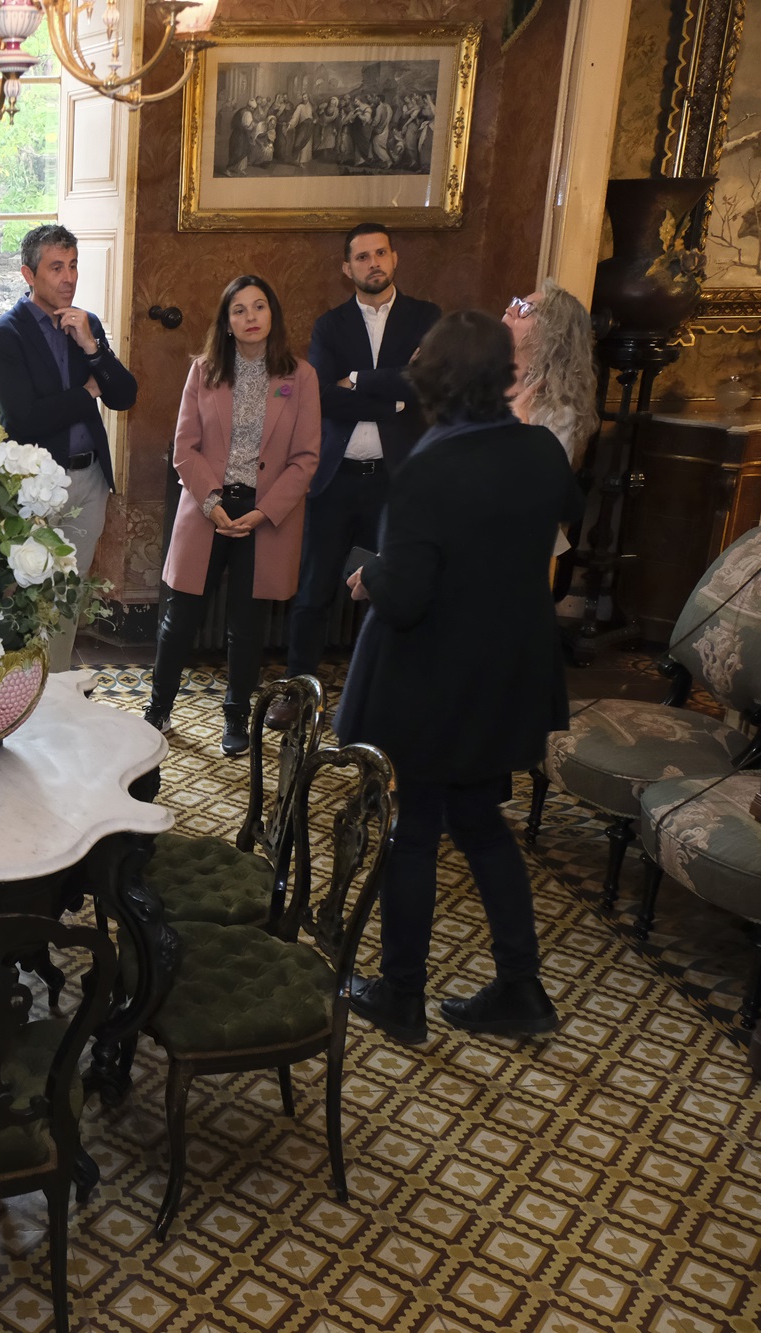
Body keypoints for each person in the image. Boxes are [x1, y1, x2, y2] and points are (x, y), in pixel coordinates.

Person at [336, 311, 587, 1046]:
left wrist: (370, 576)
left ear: (437, 379)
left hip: (432, 679)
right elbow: (563, 519)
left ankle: (401, 994)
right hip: (507, 672)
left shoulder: (430, 469)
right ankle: (521, 987)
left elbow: (408, 595)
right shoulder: (542, 450)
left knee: (413, 832)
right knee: (480, 821)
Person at [147, 275, 321, 753]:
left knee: (247, 626)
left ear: (273, 315)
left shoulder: (301, 377)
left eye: (259, 307)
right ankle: (158, 709)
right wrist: (212, 503)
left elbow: (305, 458)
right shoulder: (203, 372)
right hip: (208, 507)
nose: (250, 317)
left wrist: (264, 511)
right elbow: (185, 448)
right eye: (239, 310)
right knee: (180, 617)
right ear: (226, 323)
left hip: (265, 516)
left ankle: (236, 717)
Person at [280, 222, 440, 724]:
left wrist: (357, 380)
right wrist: (392, 395)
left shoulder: (425, 317)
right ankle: (297, 694)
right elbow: (323, 397)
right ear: (346, 268)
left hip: (395, 483)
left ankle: (378, 696)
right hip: (336, 480)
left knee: (387, 591)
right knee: (313, 592)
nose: (373, 263)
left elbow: (426, 383)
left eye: (381, 253)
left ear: (395, 259)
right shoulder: (330, 326)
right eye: (362, 257)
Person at [0, 223, 138, 672]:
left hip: (89, 481)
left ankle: (56, 685)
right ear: (28, 274)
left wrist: (92, 347)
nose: (68, 278)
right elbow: (25, 419)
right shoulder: (4, 335)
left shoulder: (86, 324)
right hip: (33, 486)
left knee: (68, 593)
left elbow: (124, 396)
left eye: (73, 266)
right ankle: (12, 686)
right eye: (56, 268)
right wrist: (87, 392)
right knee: (24, 591)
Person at [505, 282, 599, 569]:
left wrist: (520, 428)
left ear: (553, 333)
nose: (510, 310)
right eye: (516, 301)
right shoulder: (481, 375)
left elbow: (547, 490)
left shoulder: (558, 408)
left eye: (526, 309)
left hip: (512, 541)